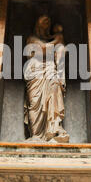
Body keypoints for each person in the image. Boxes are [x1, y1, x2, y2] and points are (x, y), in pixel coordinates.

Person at [24, 15, 69, 143]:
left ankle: (54, 128)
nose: (47, 25)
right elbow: (42, 50)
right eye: (44, 22)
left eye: (48, 22)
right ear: (38, 24)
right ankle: (36, 135)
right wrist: (58, 39)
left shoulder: (53, 40)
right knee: (34, 102)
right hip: (35, 73)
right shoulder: (32, 39)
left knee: (54, 94)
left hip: (50, 70)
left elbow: (60, 51)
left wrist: (59, 44)